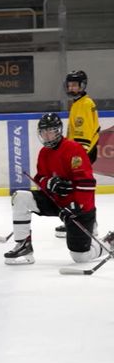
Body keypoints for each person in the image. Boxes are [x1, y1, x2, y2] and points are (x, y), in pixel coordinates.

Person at [4, 112, 113, 265]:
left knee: (80, 257)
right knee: (20, 197)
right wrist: (49, 183)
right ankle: (23, 246)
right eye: (43, 132)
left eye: (50, 131)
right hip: (55, 202)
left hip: (78, 207)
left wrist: (77, 206)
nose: (47, 135)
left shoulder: (73, 149)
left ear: (58, 131)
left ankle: (109, 241)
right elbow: (39, 178)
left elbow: (87, 183)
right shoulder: (44, 153)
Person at [55, 70, 100, 238]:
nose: (72, 87)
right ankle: (81, 222)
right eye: (70, 85)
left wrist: (77, 157)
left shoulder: (85, 104)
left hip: (82, 153)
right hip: (79, 152)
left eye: (75, 85)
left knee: (81, 190)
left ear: (83, 85)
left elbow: (84, 134)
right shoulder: (78, 103)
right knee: (76, 190)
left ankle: (89, 224)